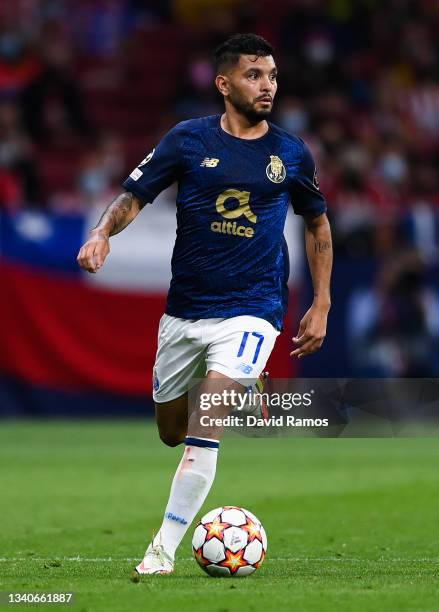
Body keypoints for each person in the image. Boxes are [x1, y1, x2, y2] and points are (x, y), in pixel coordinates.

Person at [76, 33, 332, 577]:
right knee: (173, 431)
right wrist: (102, 233)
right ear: (224, 84)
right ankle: (235, 380)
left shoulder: (290, 152)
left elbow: (317, 222)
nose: (267, 86)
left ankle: (161, 551)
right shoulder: (187, 141)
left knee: (208, 415)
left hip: (254, 308)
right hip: (186, 312)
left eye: (272, 76)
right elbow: (133, 196)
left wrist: (322, 302)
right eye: (254, 76)